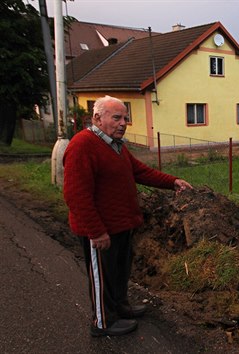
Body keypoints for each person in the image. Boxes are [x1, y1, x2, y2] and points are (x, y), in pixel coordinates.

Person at [63, 95, 193, 337]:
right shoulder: (82, 145)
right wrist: (96, 231)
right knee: (103, 276)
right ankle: (102, 322)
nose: (123, 123)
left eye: (125, 118)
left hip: (121, 225)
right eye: (117, 117)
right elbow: (75, 195)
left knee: (119, 271)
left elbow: (140, 171)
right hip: (101, 230)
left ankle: (120, 307)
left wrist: (172, 181)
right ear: (97, 118)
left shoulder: (115, 145)